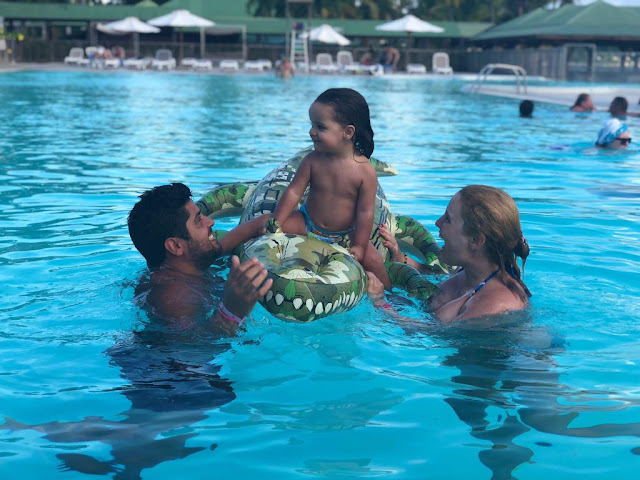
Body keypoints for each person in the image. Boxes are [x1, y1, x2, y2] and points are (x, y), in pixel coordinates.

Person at [269, 88, 392, 290]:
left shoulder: (365, 171)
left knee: (375, 261)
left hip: (347, 234)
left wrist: (360, 246)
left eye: (320, 127)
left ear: (348, 132)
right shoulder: (312, 160)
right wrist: (277, 221)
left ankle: (390, 297)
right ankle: (222, 249)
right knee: (260, 223)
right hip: (307, 223)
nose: (311, 132)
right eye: (311, 125)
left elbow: (365, 212)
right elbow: (293, 192)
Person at [369, 185, 531, 322]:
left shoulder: (495, 305)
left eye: (448, 219)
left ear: (475, 240)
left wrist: (379, 301)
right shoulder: (466, 272)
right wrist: (401, 259)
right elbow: (436, 275)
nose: (437, 223)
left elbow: (429, 335)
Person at [127, 182, 273, 333]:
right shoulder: (173, 299)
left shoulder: (193, 262)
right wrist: (232, 311)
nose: (210, 222)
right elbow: (195, 344)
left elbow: (243, 232)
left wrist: (270, 225)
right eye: (198, 221)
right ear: (176, 246)